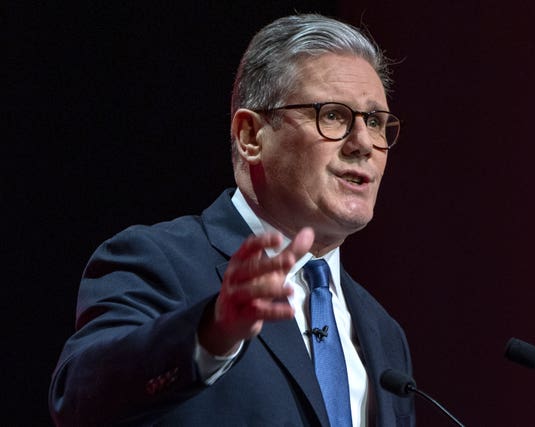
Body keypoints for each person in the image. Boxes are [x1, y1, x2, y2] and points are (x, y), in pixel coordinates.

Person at [49, 13, 414, 426]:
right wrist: (213, 333)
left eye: (375, 122)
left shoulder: (384, 334)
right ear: (250, 136)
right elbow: (79, 399)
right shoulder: (157, 262)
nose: (364, 143)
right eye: (333, 115)